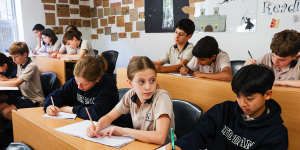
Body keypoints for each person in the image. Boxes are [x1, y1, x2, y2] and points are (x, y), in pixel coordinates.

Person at [166, 64, 288, 150]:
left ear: (267, 95)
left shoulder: (276, 134)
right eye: (238, 96)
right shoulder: (223, 111)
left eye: (249, 99)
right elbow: (199, 133)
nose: (242, 103)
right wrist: (180, 146)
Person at [86, 56, 175, 145]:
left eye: (152, 80)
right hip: (142, 145)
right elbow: (109, 117)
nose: (148, 87)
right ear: (130, 83)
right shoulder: (130, 94)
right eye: (141, 82)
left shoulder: (162, 97)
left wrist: (124, 131)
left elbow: (160, 138)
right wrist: (97, 127)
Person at [44, 56, 118, 120]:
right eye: (77, 82)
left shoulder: (108, 85)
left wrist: (70, 109)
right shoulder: (75, 81)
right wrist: (49, 107)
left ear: (97, 79)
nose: (79, 87)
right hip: (78, 122)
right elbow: (54, 96)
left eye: (85, 84)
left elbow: (97, 114)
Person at [0, 42, 44, 120]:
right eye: (12, 57)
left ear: (25, 54)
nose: (13, 60)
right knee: (1, 106)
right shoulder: (20, 64)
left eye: (16, 57)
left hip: (34, 100)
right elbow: (17, 78)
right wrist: (6, 80)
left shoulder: (31, 66)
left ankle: (22, 128)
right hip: (24, 97)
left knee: (6, 111)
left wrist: (2, 83)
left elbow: (17, 83)